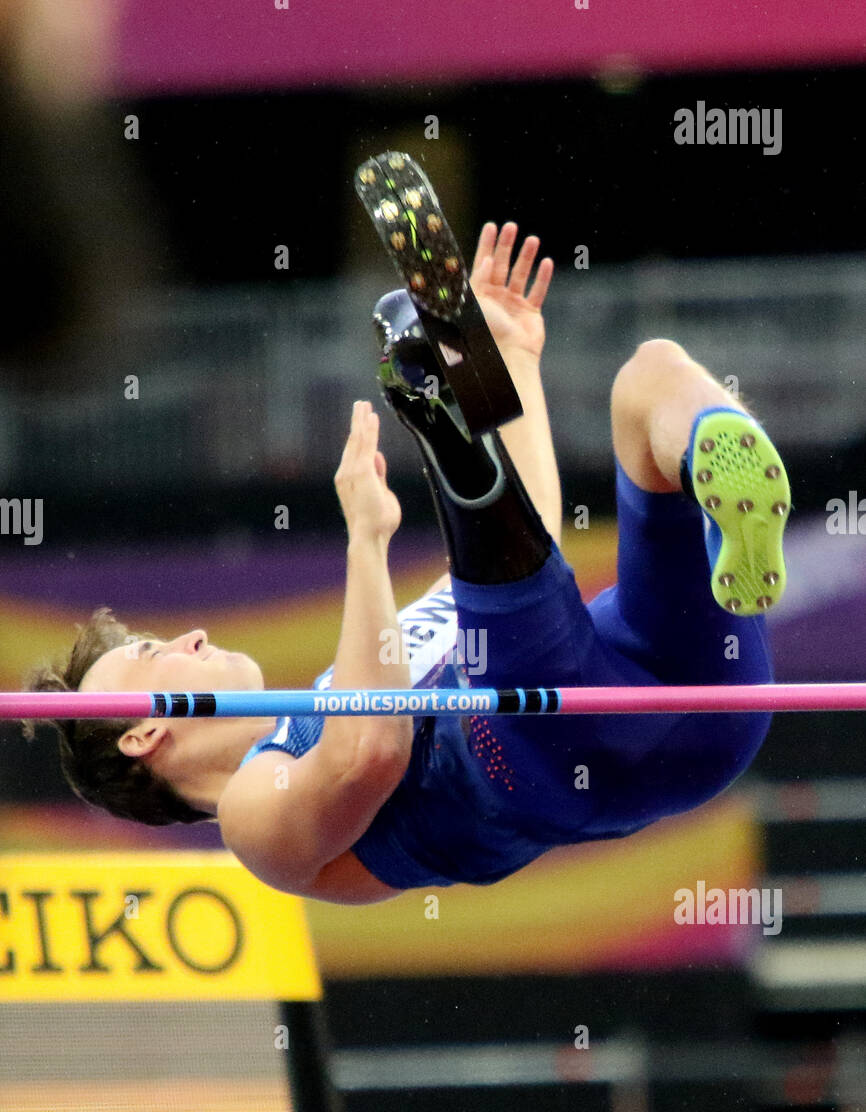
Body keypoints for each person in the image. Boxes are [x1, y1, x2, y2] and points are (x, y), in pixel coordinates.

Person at [23, 177, 791, 905]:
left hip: (696, 701)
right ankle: (446, 418)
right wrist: (365, 541)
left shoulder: (349, 675)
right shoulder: (256, 813)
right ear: (144, 734)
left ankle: (713, 452)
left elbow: (533, 547)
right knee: (499, 632)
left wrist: (515, 358)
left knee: (649, 378)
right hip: (532, 751)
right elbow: (371, 751)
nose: (189, 635)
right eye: (155, 653)